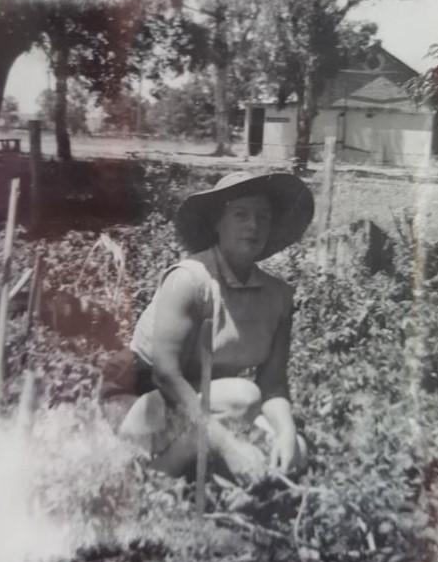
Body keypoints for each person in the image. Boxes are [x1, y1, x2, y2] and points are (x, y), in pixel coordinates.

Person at [100, 171, 314, 484]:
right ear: (218, 223)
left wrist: (286, 432)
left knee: (298, 450)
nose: (253, 226)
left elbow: (273, 385)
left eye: (263, 217)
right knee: (243, 395)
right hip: (141, 397)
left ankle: (213, 477)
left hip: (203, 401)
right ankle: (155, 481)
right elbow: (166, 376)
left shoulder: (278, 296)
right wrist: (227, 445)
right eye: (240, 214)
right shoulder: (190, 280)